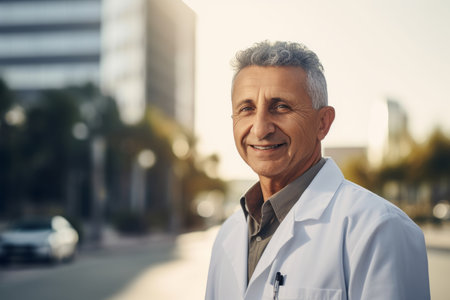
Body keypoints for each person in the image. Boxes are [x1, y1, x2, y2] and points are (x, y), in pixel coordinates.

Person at [205, 40, 430, 300]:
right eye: (246, 109)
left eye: (281, 107)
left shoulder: (379, 229)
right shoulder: (228, 234)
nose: (260, 129)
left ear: (323, 123)